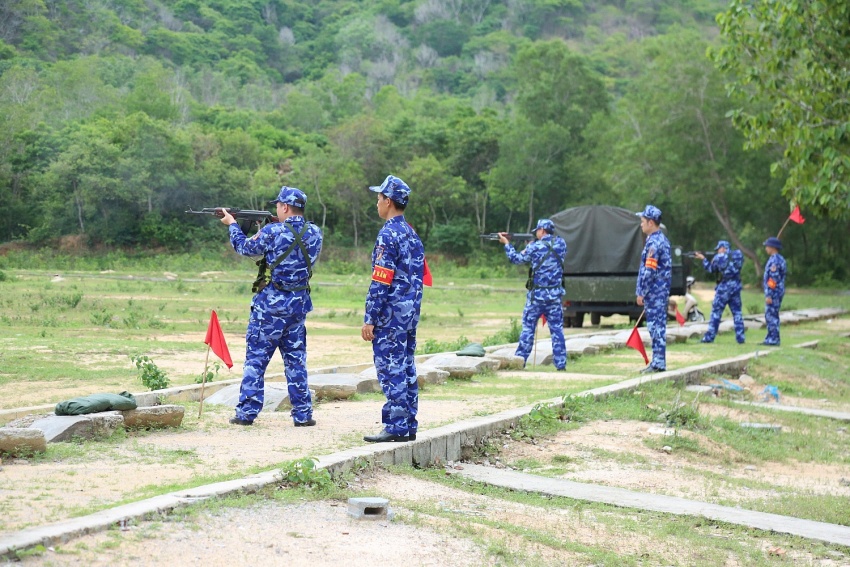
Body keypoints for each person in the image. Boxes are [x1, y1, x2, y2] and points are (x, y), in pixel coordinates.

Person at [220, 186, 323, 426]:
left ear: (285, 207)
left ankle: (247, 413)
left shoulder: (272, 231)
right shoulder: (315, 232)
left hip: (270, 309)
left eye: (278, 205)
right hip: (298, 306)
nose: (276, 208)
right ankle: (303, 415)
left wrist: (232, 225)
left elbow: (244, 248)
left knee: (256, 361)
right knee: (296, 361)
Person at [361, 175, 425, 443]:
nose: (377, 203)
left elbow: (381, 279)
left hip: (389, 315)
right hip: (408, 314)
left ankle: (396, 425)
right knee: (407, 366)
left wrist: (370, 318)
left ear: (388, 201)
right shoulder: (411, 233)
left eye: (379, 198)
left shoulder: (388, 235)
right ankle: (408, 423)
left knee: (391, 368)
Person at [498, 219, 568, 370]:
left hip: (536, 297)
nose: (536, 233)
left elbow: (516, 258)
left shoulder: (535, 247)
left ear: (542, 230)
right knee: (557, 330)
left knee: (528, 329)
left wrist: (507, 244)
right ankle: (561, 364)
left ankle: (520, 360)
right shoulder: (561, 244)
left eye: (537, 230)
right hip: (555, 297)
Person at [635, 205, 672, 373]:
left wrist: (642, 291)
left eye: (643, 221)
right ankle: (658, 361)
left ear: (651, 222)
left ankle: (658, 363)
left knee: (655, 326)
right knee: (657, 325)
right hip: (659, 291)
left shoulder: (654, 243)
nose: (641, 224)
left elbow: (649, 271)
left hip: (655, 292)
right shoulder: (660, 239)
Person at [695, 240, 745, 344]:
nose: (717, 251)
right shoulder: (738, 256)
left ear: (723, 248)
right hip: (735, 287)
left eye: (718, 249)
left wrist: (704, 259)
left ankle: (709, 337)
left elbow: (711, 269)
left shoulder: (719, 258)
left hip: (724, 288)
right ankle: (740, 337)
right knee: (737, 313)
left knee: (716, 313)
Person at [761, 236, 786, 346]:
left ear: (772, 247)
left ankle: (773, 339)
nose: (766, 248)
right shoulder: (780, 259)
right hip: (778, 291)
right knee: (772, 314)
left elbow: (772, 279)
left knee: (771, 315)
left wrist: (769, 294)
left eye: (767, 246)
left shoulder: (775, 261)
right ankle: (770, 337)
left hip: (774, 292)